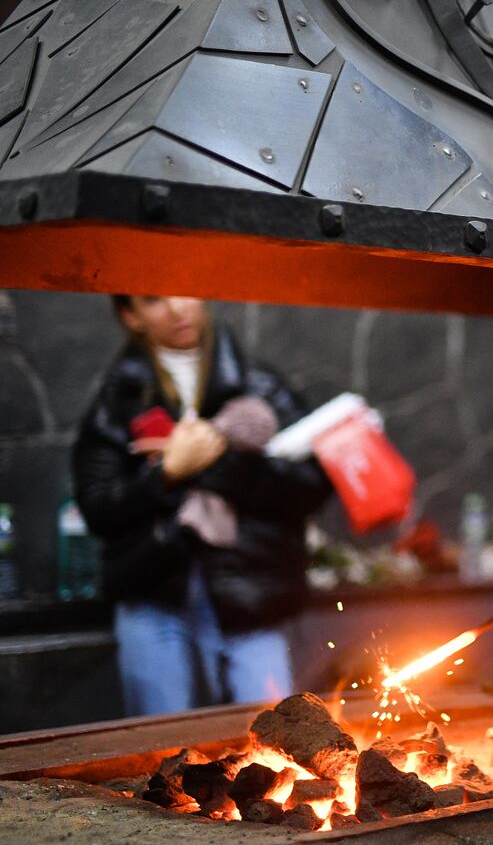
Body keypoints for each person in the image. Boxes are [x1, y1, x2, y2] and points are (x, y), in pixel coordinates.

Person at [72, 296, 331, 715]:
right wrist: (166, 473)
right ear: (130, 315)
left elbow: (311, 487)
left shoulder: (261, 385)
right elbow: (98, 507)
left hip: (252, 594)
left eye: (185, 289)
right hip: (152, 590)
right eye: (154, 299)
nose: (176, 308)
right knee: (159, 750)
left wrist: (215, 463)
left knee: (277, 740)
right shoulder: (117, 399)